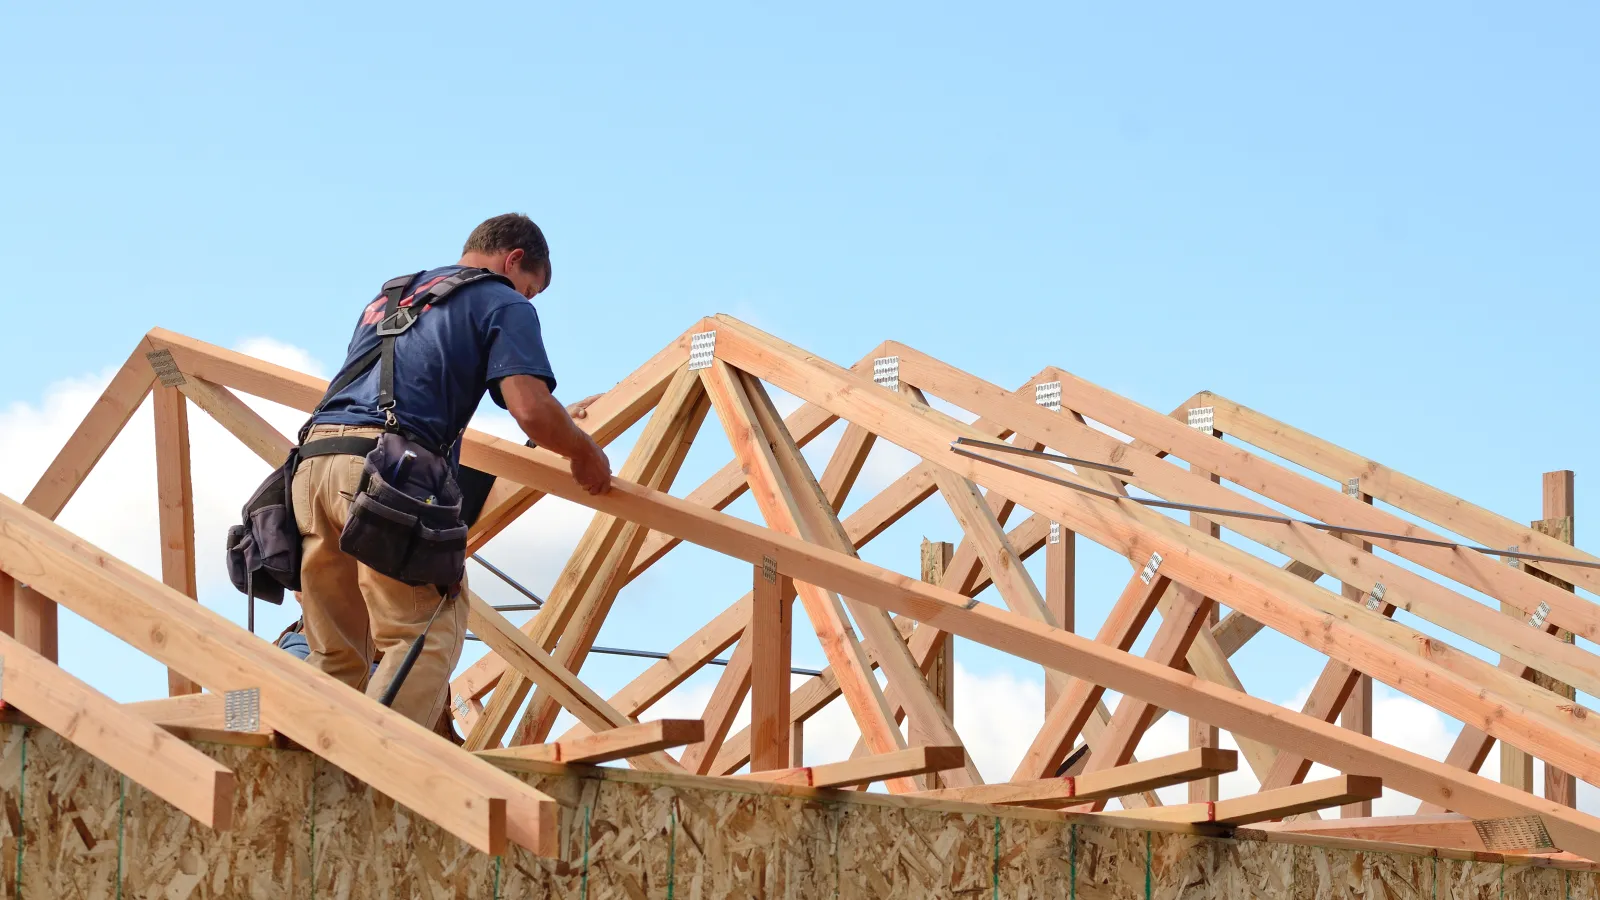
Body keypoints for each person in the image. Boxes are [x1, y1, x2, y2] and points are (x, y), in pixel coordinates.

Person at [291, 212, 611, 730]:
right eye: (530, 288)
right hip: (385, 471)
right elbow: (529, 406)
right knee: (427, 631)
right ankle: (375, 770)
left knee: (340, 652)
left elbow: (408, 387)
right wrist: (583, 453)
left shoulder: (394, 297)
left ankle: (323, 771)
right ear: (513, 261)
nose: (526, 300)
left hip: (314, 466)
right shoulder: (501, 301)